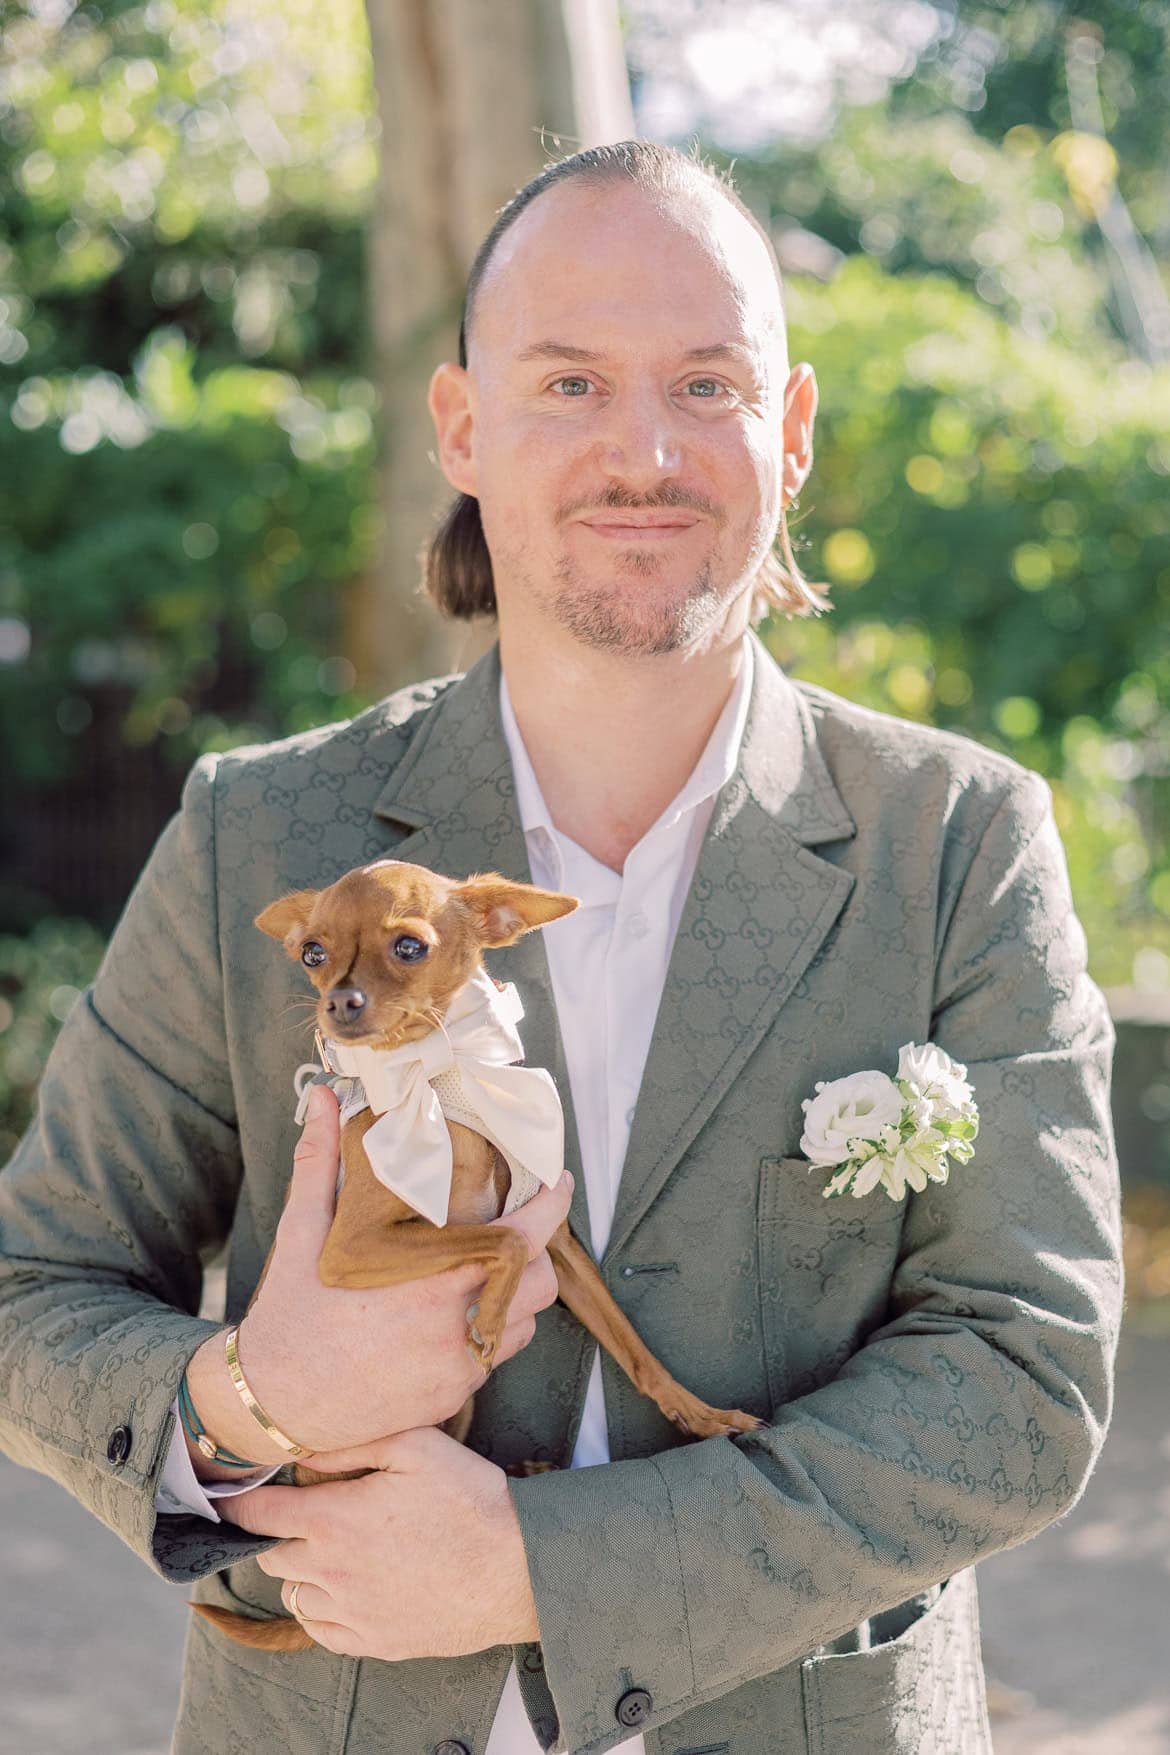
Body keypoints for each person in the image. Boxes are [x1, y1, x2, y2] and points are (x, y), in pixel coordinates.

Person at [0, 141, 1122, 1755]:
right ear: (462, 426)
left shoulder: (958, 844)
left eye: (707, 385)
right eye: (571, 382)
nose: (642, 451)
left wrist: (541, 1568)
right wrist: (251, 1402)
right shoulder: (258, 833)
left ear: (790, 431)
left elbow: (1021, 1378)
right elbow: (37, 1291)